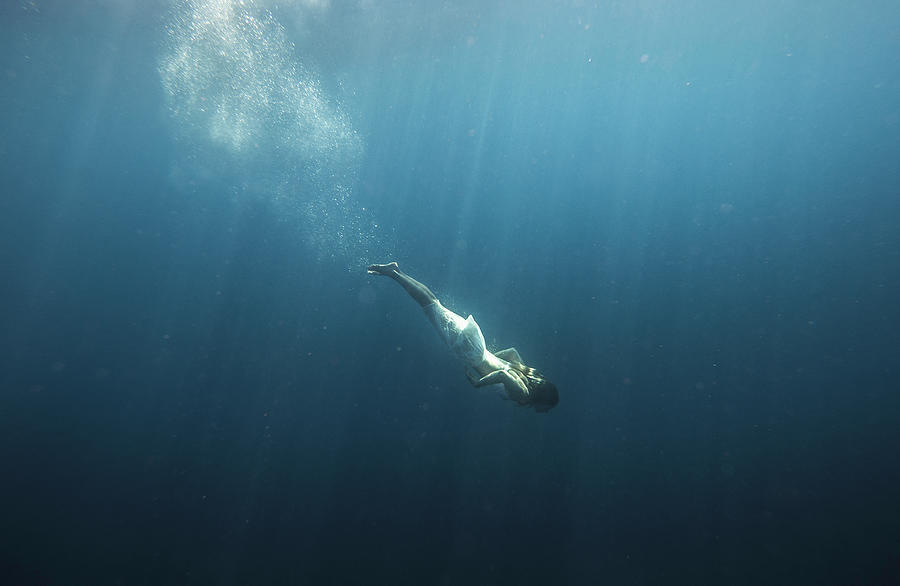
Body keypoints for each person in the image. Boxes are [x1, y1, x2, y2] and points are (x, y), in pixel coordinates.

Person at [367, 262, 559, 412]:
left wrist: (487, 357)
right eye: (547, 408)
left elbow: (511, 352)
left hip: (477, 347)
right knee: (430, 306)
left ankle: (396, 272)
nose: (545, 411)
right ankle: (393, 274)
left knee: (433, 304)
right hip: (470, 351)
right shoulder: (523, 395)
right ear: (543, 400)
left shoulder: (523, 371)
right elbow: (501, 374)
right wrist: (478, 382)